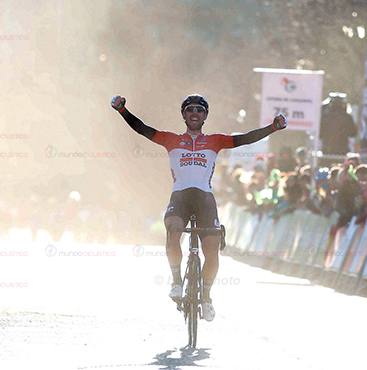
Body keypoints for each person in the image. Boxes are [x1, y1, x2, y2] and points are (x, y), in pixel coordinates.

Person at [111, 93, 287, 321]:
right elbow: (142, 129)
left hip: (205, 200)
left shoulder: (215, 140)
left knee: (212, 252)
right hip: (180, 198)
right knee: (174, 231)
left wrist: (272, 127)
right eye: (190, 109)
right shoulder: (170, 139)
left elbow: (245, 138)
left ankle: (205, 297)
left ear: (205, 116)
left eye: (199, 110)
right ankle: (176, 282)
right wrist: (123, 110)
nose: (195, 113)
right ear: (183, 114)